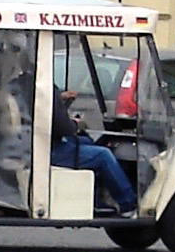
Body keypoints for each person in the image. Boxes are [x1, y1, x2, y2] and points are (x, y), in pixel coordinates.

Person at [51, 87, 135, 216]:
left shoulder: (29, 83)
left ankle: (96, 198)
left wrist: (60, 98)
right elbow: (63, 127)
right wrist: (75, 123)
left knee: (87, 142)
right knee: (103, 155)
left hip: (42, 144)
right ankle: (128, 204)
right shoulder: (47, 88)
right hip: (50, 150)